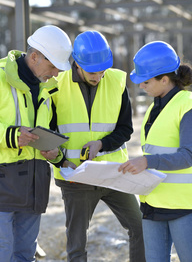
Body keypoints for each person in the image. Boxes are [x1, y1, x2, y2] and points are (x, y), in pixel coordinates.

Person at [52, 30, 146, 262]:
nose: (98, 76)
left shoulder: (116, 81)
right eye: (93, 72)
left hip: (113, 173)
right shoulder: (56, 84)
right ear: (77, 64)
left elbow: (125, 129)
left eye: (102, 70)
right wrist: (60, 160)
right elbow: (48, 130)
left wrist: (102, 143)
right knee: (76, 243)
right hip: (75, 176)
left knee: (141, 227)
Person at [0, 25, 72, 262]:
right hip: (0, 186)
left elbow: (51, 131)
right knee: (0, 251)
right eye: (53, 65)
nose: (56, 72)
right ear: (35, 56)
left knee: (26, 254)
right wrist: (10, 135)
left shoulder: (48, 89)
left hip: (34, 186)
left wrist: (56, 153)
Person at [118, 41, 192, 262]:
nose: (141, 86)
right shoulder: (153, 108)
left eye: (146, 81)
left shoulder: (187, 105)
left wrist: (148, 162)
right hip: (152, 204)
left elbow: (188, 155)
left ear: (165, 79)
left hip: (183, 207)